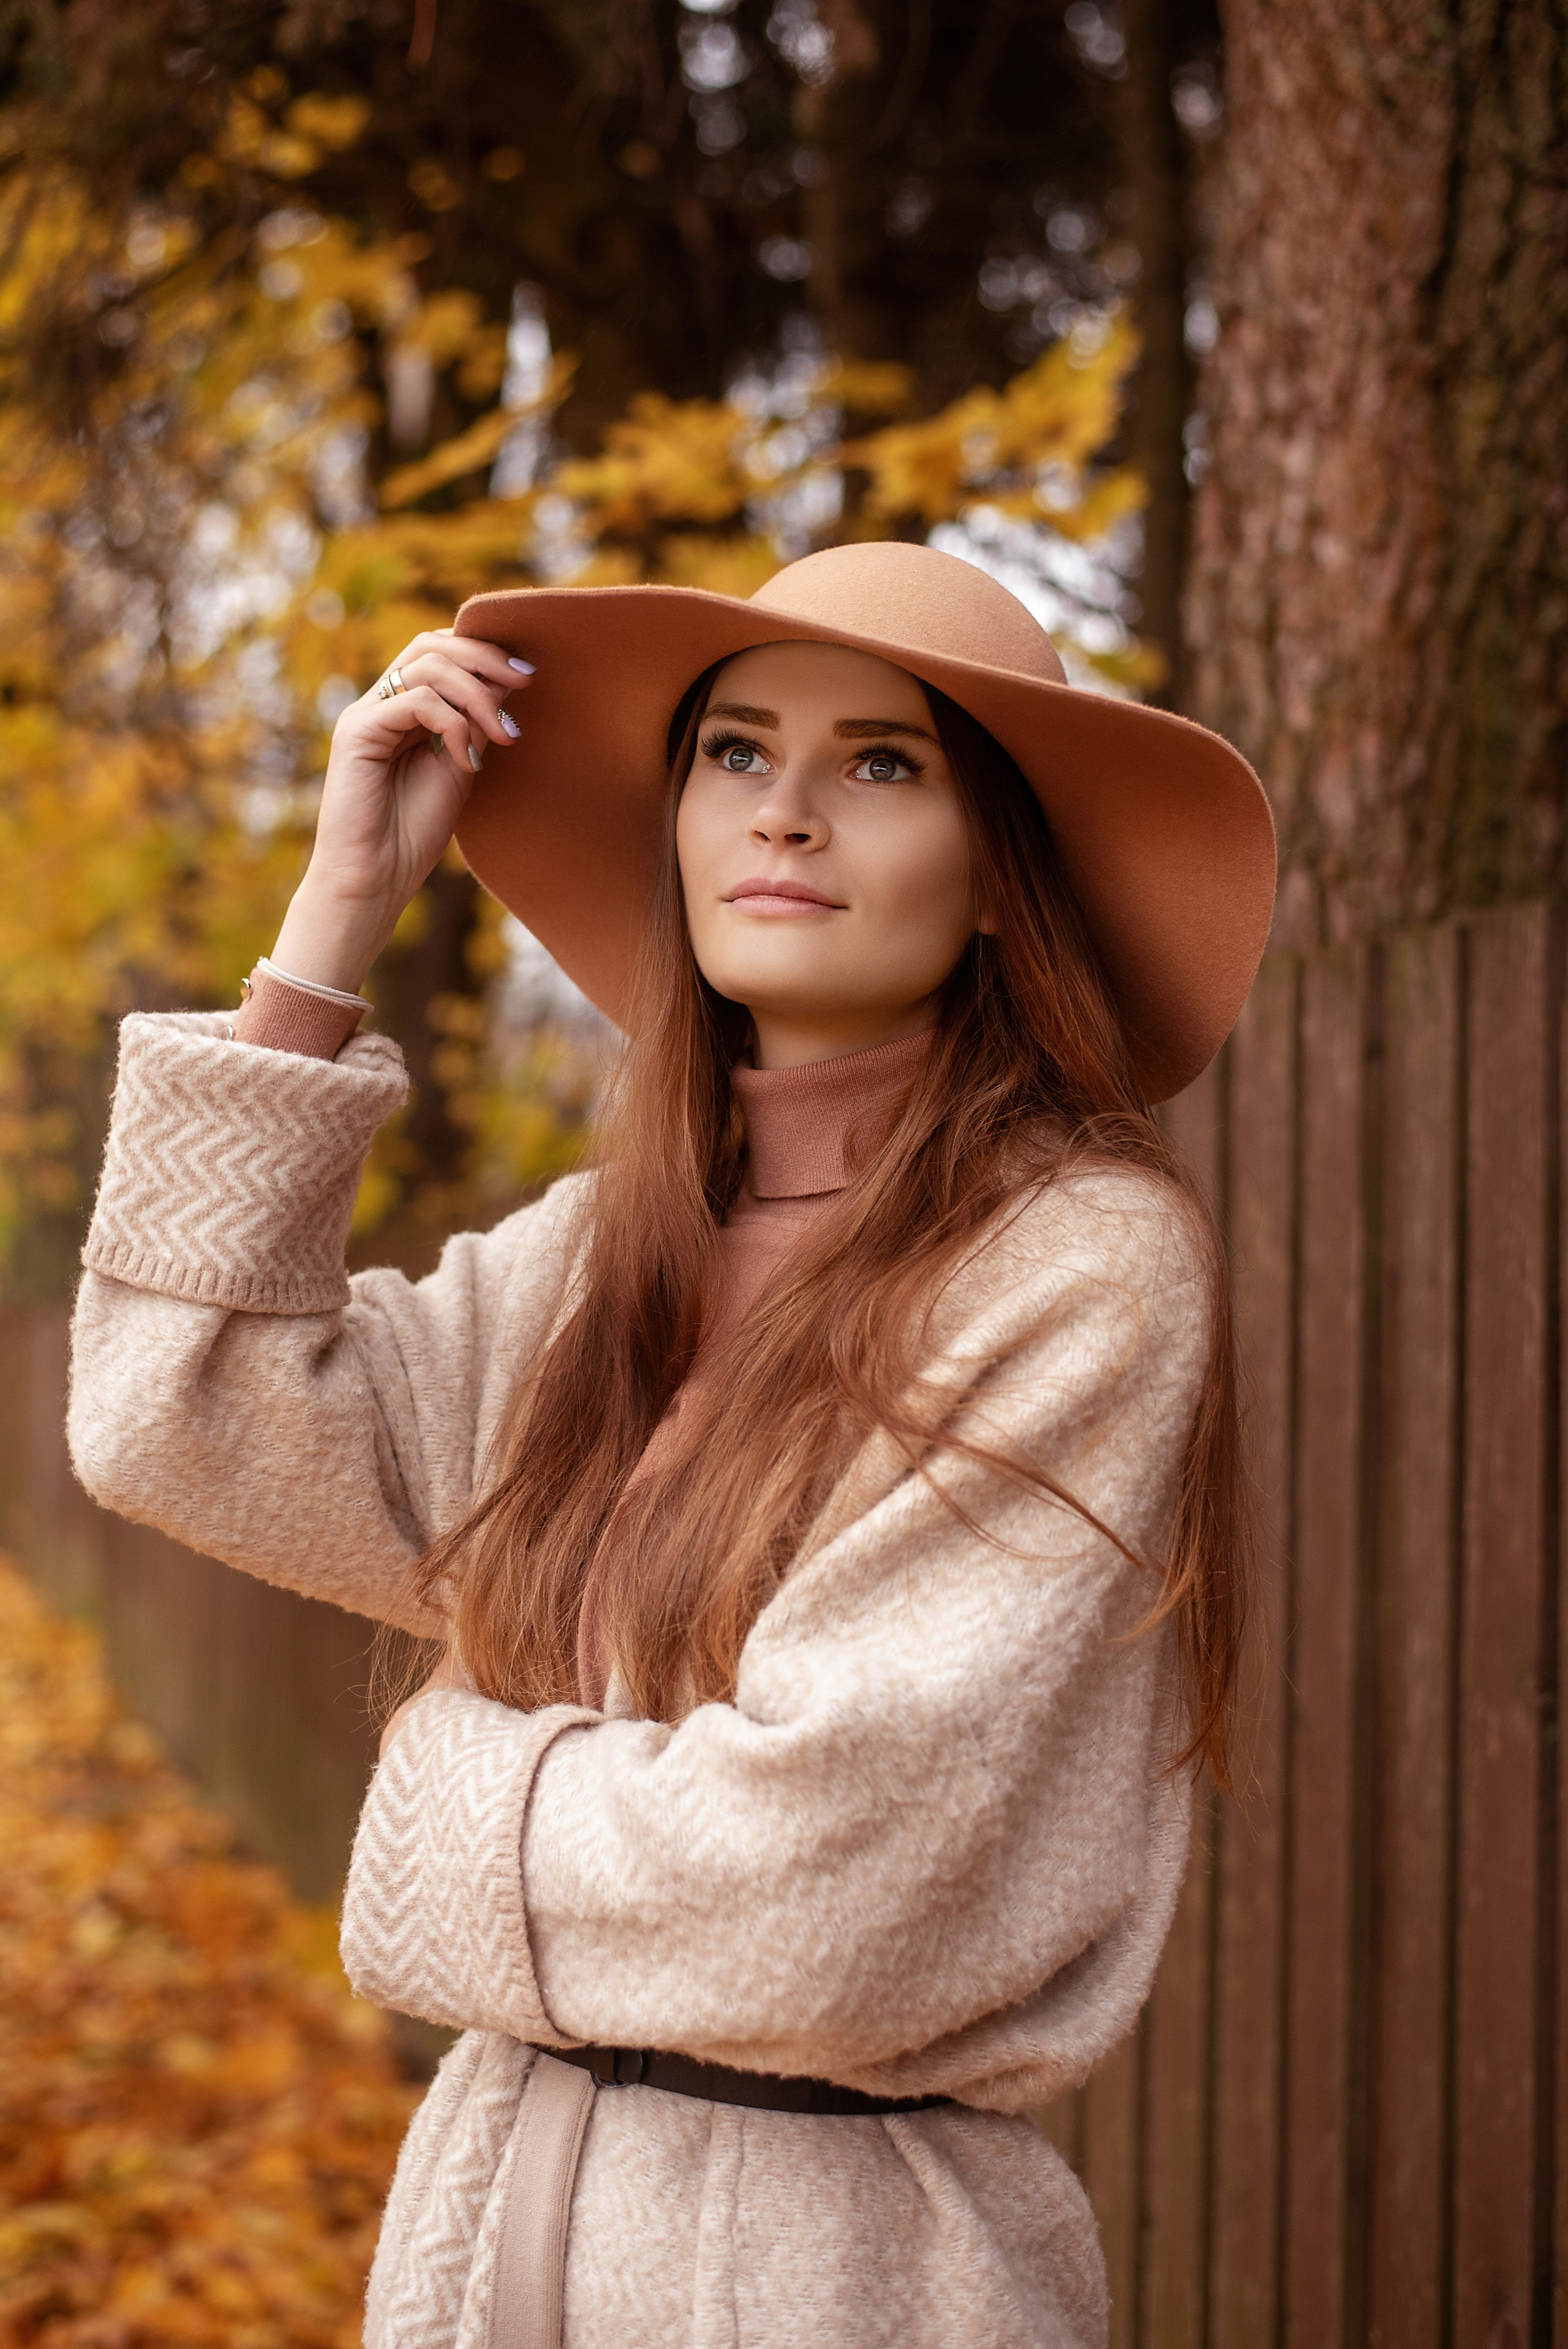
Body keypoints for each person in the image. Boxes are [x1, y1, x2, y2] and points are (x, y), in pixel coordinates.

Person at [68, 540, 1275, 2349]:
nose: (785, 812)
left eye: (882, 763)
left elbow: (832, 1875)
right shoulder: (599, 1256)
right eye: (735, 752)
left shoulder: (1075, 1265)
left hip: (846, 2273)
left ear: (1000, 878)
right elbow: (176, 1412)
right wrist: (327, 934)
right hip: (483, 2230)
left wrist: (437, 1801)